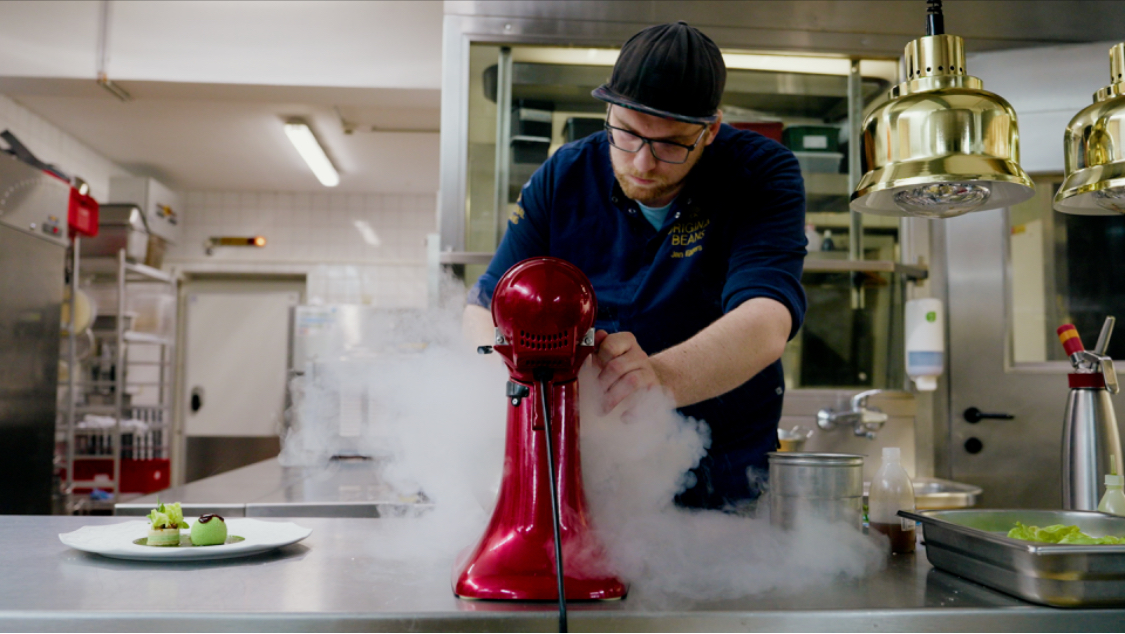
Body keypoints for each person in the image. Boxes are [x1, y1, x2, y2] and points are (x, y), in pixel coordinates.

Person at [463, 21, 807, 510]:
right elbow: (484, 307)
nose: (643, 163)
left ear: (710, 129)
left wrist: (657, 381)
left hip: (726, 474)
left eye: (670, 144)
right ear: (608, 111)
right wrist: (513, 376)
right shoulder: (564, 176)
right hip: (593, 468)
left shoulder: (761, 173)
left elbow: (767, 319)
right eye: (625, 134)